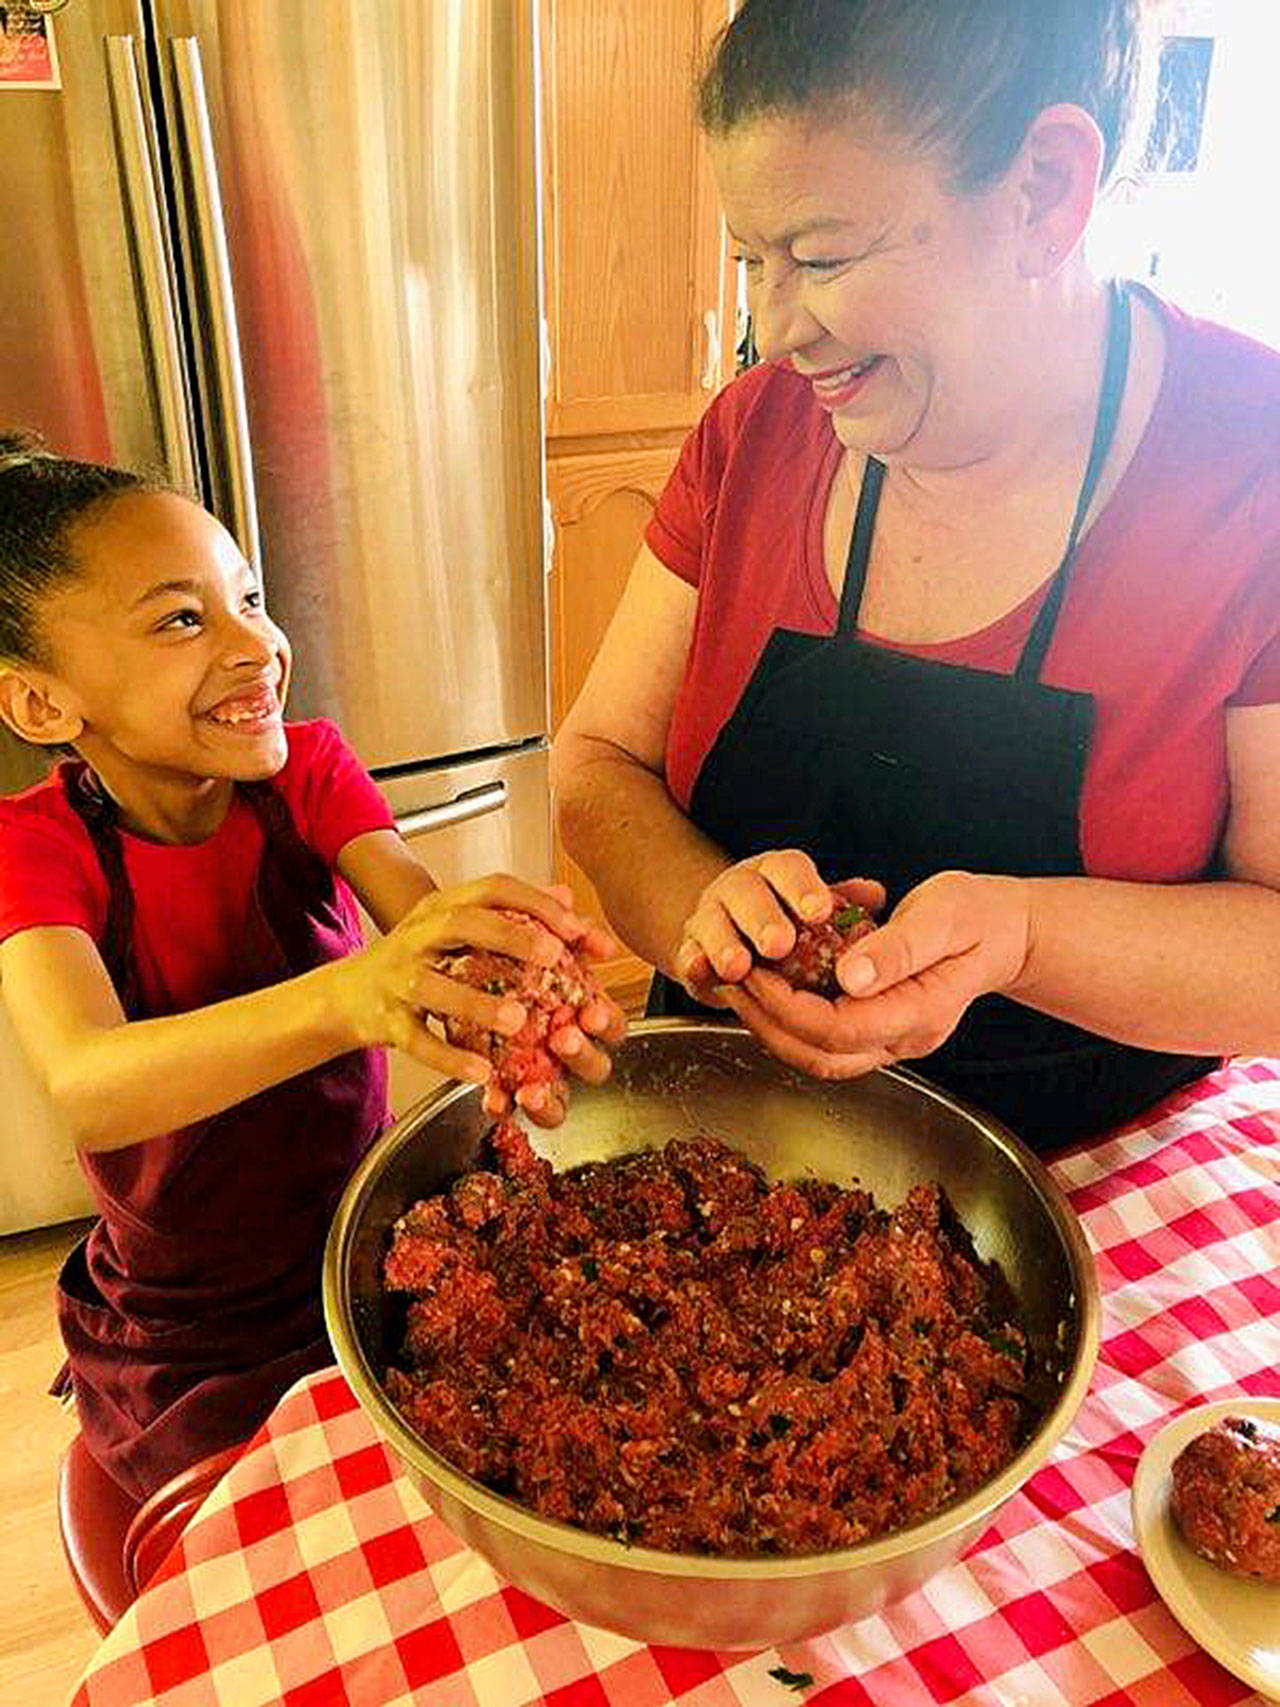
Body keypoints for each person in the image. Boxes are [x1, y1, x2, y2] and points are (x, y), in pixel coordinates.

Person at [551, 0, 1280, 1152]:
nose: (772, 328)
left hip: (1074, 1192)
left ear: (1043, 186)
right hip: (724, 1154)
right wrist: (706, 905)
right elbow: (595, 768)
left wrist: (1022, 935)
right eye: (750, 260)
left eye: (823, 256)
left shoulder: (1253, 463)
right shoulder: (752, 433)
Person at [0, 434, 625, 1500]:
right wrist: (351, 998)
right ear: (47, 707)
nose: (255, 645)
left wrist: (510, 987)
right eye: (182, 620)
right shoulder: (38, 851)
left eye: (249, 597)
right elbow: (88, 1083)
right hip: (192, 1314)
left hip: (362, 1232)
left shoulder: (309, 774)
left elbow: (421, 920)